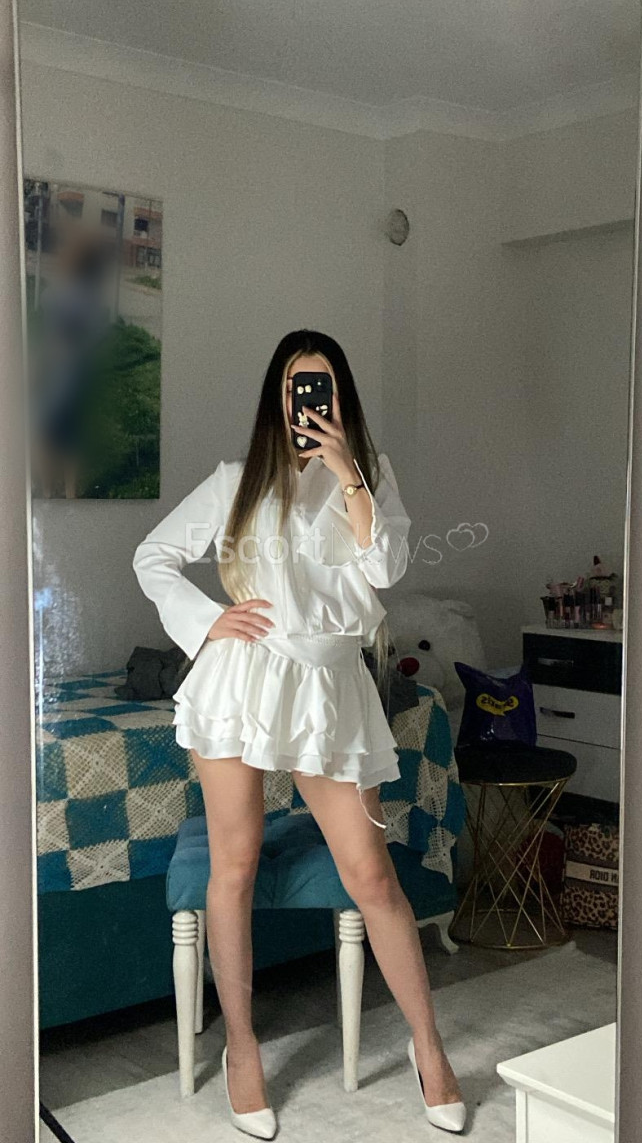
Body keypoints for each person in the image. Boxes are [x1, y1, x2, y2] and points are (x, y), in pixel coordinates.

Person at [133, 329, 466, 1136]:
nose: (305, 401)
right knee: (234, 866)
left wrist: (349, 472)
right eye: (293, 387)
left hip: (332, 687)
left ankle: (429, 1049)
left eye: (320, 387)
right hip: (242, 683)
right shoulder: (235, 480)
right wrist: (209, 622)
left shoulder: (370, 477)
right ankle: (241, 1049)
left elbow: (384, 571)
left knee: (372, 875)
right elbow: (154, 556)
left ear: (340, 398)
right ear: (275, 398)